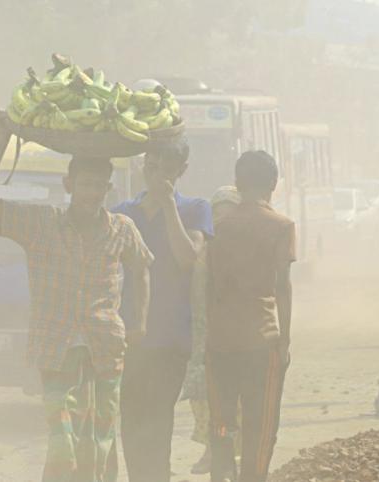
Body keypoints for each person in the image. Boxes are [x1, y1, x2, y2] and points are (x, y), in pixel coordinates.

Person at [0, 111, 154, 482]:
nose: (91, 193)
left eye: (99, 186)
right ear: (68, 184)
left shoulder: (122, 228)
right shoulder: (41, 224)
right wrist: (2, 140)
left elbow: (143, 267)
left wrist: (140, 323)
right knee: (63, 440)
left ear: (108, 189)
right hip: (56, 344)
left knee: (102, 437)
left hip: (106, 344)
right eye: (85, 184)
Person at [112, 139, 213, 481]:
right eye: (150, 167)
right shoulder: (123, 212)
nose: (155, 176)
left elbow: (189, 259)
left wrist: (168, 205)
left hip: (171, 338)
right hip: (129, 335)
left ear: (180, 172)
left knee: (157, 422)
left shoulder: (195, 209)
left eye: (165, 170)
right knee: (131, 420)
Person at [206, 151, 295, 482]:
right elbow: (282, 288)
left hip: (220, 341)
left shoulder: (218, 227)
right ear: (272, 184)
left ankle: (222, 472)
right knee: (260, 423)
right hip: (262, 339)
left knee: (223, 418)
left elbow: (209, 284)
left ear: (238, 184)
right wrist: (284, 342)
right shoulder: (282, 226)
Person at [186, 186, 242, 475]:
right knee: (200, 395)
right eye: (217, 214)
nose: (222, 221)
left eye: (228, 214)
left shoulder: (245, 250)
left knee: (230, 399)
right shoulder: (200, 247)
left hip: (233, 336)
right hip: (200, 335)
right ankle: (212, 450)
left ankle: (226, 454)